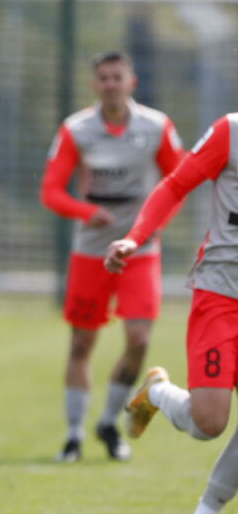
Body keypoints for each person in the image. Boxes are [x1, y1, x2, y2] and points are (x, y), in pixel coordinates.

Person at [39, 50, 183, 463]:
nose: (110, 84)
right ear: (94, 85)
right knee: (82, 341)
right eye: (102, 78)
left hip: (140, 250)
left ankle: (108, 422)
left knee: (139, 340)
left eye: (117, 77)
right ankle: (72, 436)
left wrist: (153, 227)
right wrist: (88, 213)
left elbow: (180, 179)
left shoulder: (156, 126)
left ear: (131, 82)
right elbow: (50, 190)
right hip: (91, 251)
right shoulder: (76, 129)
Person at [107, 112, 238, 514]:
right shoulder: (230, 131)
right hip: (221, 292)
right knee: (208, 422)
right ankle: (158, 392)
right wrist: (135, 237)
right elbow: (175, 184)